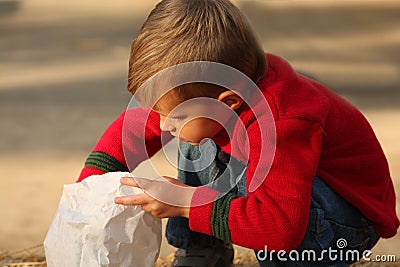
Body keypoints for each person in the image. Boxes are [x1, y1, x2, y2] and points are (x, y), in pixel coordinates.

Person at [77, 0, 399, 266]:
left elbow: (281, 230)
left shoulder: (285, 123)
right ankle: (202, 250)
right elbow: (129, 129)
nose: (162, 126)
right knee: (195, 139)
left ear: (227, 102)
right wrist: (87, 191)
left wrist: (187, 204)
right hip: (286, 198)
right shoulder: (208, 97)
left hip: (342, 223)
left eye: (171, 117)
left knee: (275, 237)